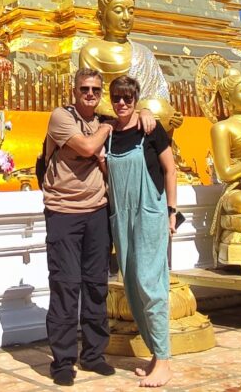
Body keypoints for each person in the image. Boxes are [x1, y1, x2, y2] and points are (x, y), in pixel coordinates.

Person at [41, 68, 154, 387]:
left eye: (95, 90)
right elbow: (88, 148)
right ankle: (63, 361)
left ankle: (93, 354)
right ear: (74, 91)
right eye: (84, 89)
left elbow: (131, 115)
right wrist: (107, 127)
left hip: (97, 212)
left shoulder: (106, 119)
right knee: (65, 285)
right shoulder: (62, 117)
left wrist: (145, 110)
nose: (90, 94)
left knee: (95, 285)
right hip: (63, 211)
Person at [104, 76, 176, 389]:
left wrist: (171, 211)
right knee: (132, 287)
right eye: (117, 98)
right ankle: (156, 355)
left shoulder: (150, 129)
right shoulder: (107, 133)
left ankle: (165, 361)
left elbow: (170, 169)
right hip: (121, 217)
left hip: (149, 212)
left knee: (150, 283)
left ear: (136, 99)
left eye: (128, 98)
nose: (122, 103)